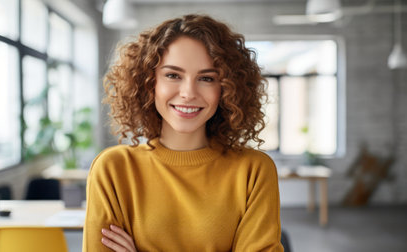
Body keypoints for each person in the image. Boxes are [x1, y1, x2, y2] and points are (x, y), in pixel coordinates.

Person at [83, 14, 283, 252]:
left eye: (207, 78)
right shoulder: (113, 169)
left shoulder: (254, 171)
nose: (188, 92)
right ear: (149, 82)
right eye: (173, 75)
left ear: (227, 89)